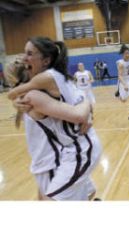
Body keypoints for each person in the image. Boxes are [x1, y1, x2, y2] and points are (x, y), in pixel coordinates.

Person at [7, 36, 102, 200]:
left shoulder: (37, 92)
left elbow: (78, 114)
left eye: (28, 54)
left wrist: (86, 108)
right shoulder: (42, 89)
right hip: (54, 158)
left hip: (55, 159)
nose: (23, 59)